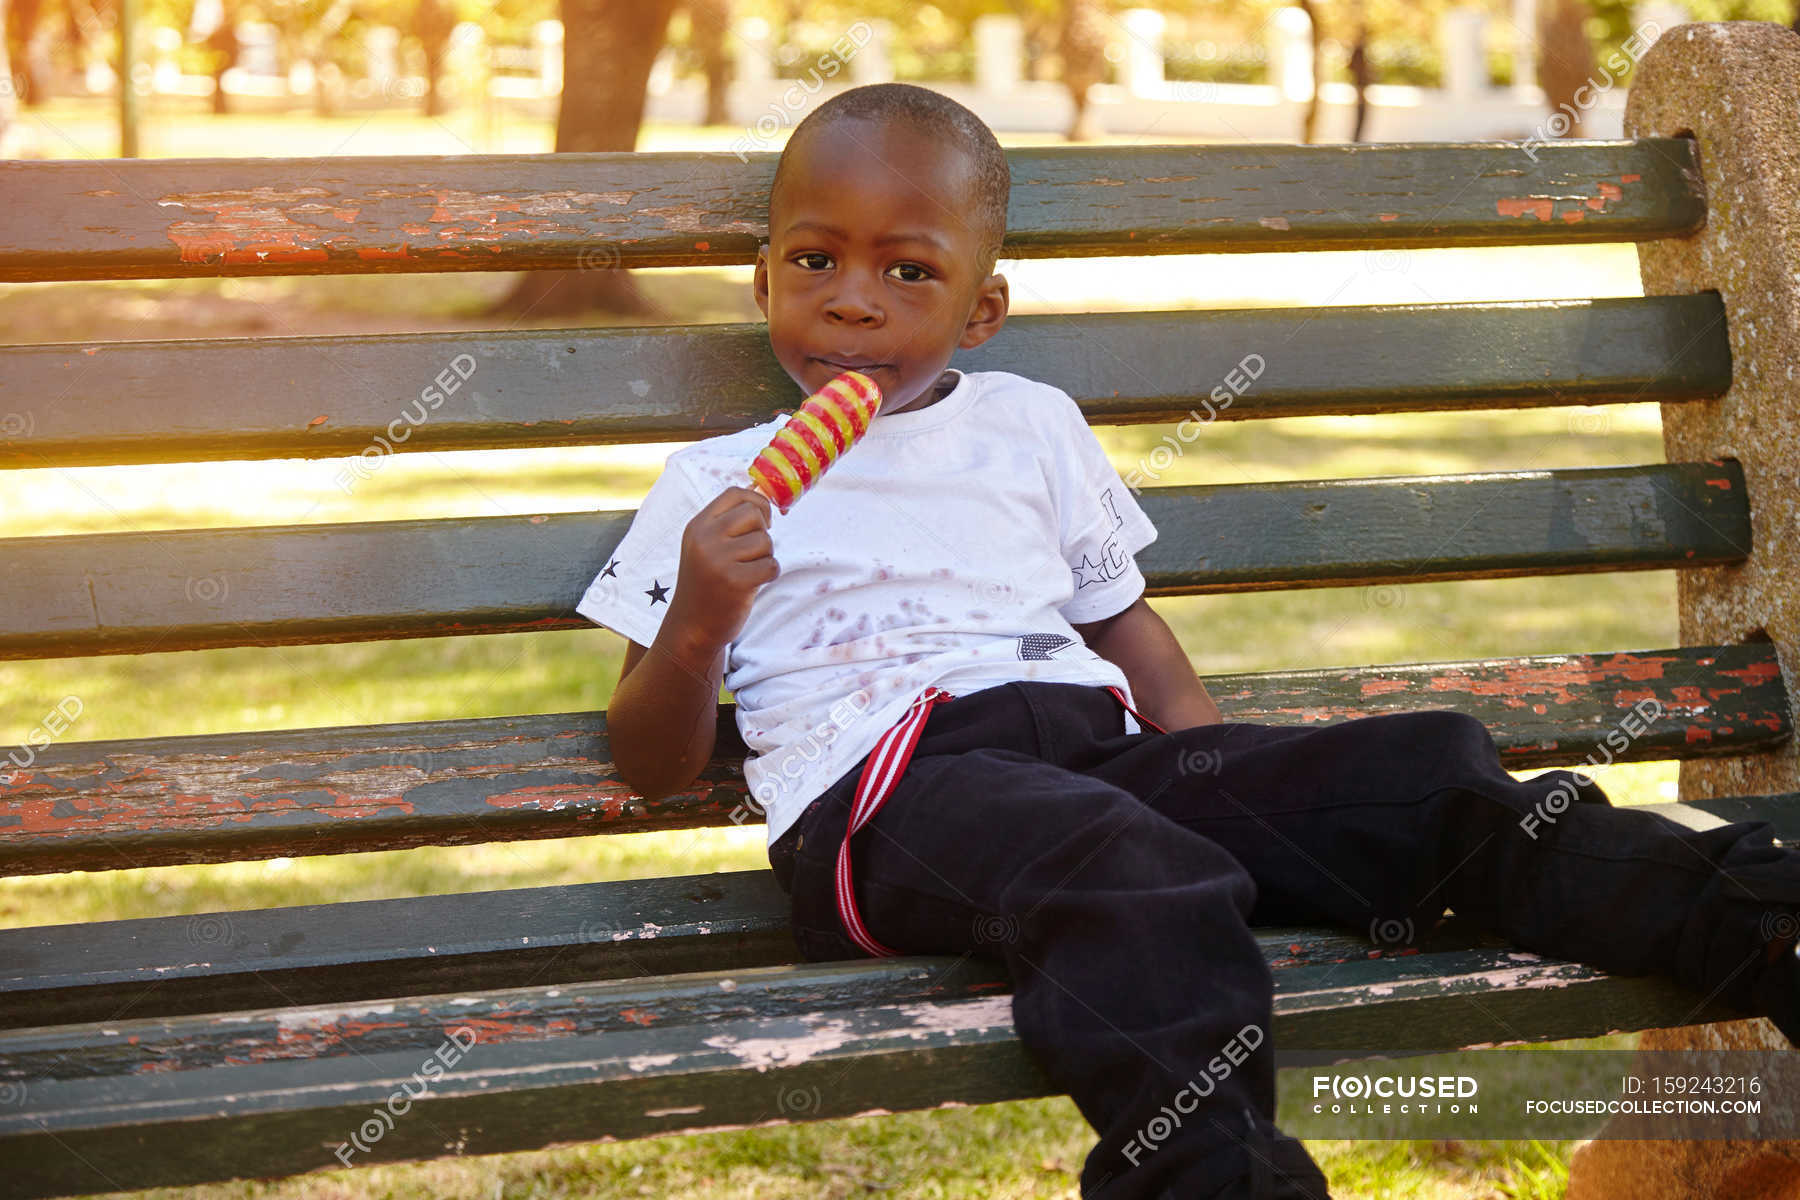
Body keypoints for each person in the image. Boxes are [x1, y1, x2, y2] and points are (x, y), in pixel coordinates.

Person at [576, 82, 1800, 1199]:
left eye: (908, 272)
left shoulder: (1030, 425)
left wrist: (1223, 787)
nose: (852, 298)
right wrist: (697, 623)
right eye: (814, 260)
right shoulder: (715, 485)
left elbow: (1124, 627)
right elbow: (652, 760)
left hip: (1092, 756)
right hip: (887, 797)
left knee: (1417, 771)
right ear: (763, 283)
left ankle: (1750, 919)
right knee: (1123, 863)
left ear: (982, 307)